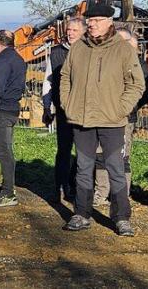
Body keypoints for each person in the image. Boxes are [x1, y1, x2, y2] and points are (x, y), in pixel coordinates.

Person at [60, 4, 144, 237]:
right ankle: (82, 213)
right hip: (82, 118)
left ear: (109, 21)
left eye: (97, 20)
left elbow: (136, 83)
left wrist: (121, 108)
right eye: (90, 20)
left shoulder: (122, 49)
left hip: (112, 120)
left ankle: (121, 217)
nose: (92, 24)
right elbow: (65, 76)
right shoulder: (78, 48)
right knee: (84, 168)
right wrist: (68, 103)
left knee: (115, 168)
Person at [92, 28, 148, 206]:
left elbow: (145, 91)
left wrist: (129, 106)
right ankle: (101, 193)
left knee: (122, 156)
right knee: (101, 154)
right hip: (103, 116)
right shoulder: (105, 61)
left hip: (126, 117)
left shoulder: (140, 66)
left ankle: (121, 195)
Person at [42, 18, 85, 202]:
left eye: (75, 30)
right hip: (63, 108)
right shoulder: (57, 52)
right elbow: (48, 80)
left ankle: (77, 185)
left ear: (83, 32)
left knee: (83, 151)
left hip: (84, 109)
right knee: (64, 149)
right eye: (69, 30)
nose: (70, 33)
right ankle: (61, 186)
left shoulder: (88, 51)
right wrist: (47, 106)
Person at [0, 30, 26, 207]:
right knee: (6, 149)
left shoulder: (2, 60)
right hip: (12, 109)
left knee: (3, 151)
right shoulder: (18, 59)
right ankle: (8, 188)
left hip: (2, 110)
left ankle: (8, 192)